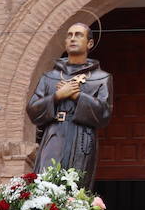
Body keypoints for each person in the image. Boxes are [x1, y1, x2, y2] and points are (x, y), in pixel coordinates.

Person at [26, 23, 112, 188]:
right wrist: (58, 96)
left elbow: (104, 114)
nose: (73, 38)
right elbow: (32, 109)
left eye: (79, 35)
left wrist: (78, 96)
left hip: (82, 139)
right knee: (45, 185)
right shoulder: (50, 76)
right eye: (69, 35)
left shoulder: (101, 78)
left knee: (75, 189)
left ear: (90, 43)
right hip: (53, 135)